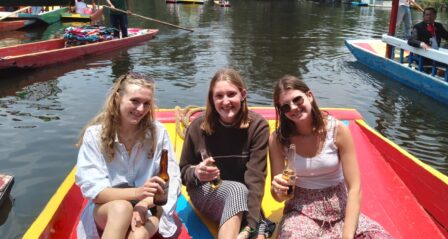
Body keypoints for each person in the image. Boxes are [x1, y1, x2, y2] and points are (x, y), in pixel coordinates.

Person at [269, 75, 392, 239]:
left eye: (297, 100)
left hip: (340, 207)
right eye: (285, 107)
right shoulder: (278, 139)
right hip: (301, 210)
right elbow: (278, 197)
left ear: (309, 96)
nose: (293, 108)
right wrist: (279, 189)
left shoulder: (338, 130)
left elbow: (355, 187)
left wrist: (347, 236)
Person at [75, 71, 181, 239]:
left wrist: (143, 204)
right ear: (118, 98)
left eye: (146, 103)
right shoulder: (94, 136)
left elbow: (173, 181)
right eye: (135, 101)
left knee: (138, 235)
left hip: (149, 206)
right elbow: (95, 193)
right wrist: (137, 193)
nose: (141, 109)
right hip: (108, 209)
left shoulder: (158, 133)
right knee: (121, 209)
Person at [180, 68, 274, 239]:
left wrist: (250, 226)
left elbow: (256, 178)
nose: (226, 101)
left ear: (243, 94)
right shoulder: (197, 127)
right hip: (206, 191)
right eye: (219, 96)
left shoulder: (258, 127)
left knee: (253, 222)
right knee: (237, 190)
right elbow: (183, 172)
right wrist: (196, 172)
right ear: (212, 99)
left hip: (244, 194)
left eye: (231, 94)